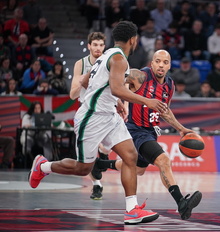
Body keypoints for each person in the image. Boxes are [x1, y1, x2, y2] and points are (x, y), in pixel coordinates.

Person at [28, 21, 168, 225]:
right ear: (133, 40)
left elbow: (90, 82)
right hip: (92, 117)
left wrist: (116, 102)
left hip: (108, 114)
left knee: (130, 156)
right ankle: (43, 166)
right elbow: (116, 88)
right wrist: (147, 101)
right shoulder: (119, 59)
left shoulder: (107, 55)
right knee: (83, 169)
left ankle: (132, 209)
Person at [92, 49, 202, 221]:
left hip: (151, 132)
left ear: (169, 66)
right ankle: (181, 202)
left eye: (165, 62)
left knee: (139, 170)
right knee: (164, 161)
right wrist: (119, 101)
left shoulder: (170, 85)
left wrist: (181, 129)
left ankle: (101, 164)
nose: (161, 65)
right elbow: (115, 82)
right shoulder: (140, 76)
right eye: (158, 61)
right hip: (135, 130)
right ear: (152, 63)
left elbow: (164, 111)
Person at [70, 31, 109, 200]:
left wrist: (124, 106)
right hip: (86, 111)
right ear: (89, 46)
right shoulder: (81, 64)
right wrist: (83, 81)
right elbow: (72, 95)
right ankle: (97, 185)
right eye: (95, 45)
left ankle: (103, 152)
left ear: (104, 47)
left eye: (101, 45)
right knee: (86, 156)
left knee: (104, 150)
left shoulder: (109, 62)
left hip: (104, 110)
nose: (98, 48)